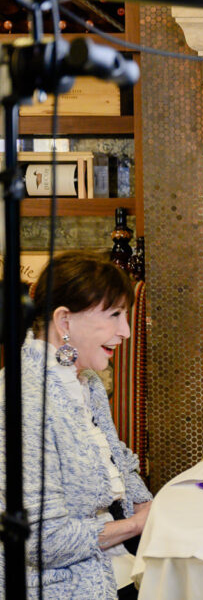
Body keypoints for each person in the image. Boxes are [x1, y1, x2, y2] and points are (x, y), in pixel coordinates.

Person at [0, 250, 152, 598]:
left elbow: (117, 459)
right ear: (64, 321)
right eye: (114, 315)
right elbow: (43, 541)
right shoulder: (25, 399)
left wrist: (149, 506)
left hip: (117, 564)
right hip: (64, 587)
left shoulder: (86, 382)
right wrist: (138, 524)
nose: (126, 332)